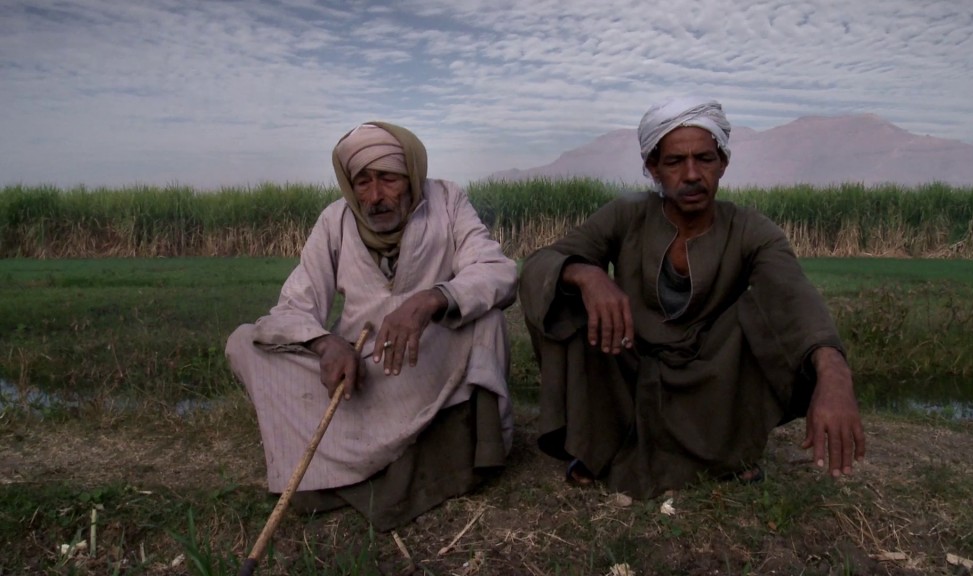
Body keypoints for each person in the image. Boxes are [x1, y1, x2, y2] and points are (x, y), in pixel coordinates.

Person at [518, 96, 865, 498]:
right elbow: (540, 263)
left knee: (764, 313)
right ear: (652, 168)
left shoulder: (752, 229)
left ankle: (728, 452)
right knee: (562, 290)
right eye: (674, 162)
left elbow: (794, 295)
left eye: (704, 159)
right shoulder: (626, 216)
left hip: (710, 375)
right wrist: (586, 274)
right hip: (628, 364)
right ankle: (598, 442)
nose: (691, 175)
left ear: (723, 164)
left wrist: (835, 374)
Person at [226, 122, 517, 530]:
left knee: (486, 317)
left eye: (388, 179)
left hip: (425, 357)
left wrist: (431, 300)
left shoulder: (447, 200)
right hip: (360, 371)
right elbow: (293, 307)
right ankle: (348, 455)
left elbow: (496, 272)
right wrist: (325, 343)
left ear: (411, 175)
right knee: (244, 341)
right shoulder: (335, 221)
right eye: (362, 183)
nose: (375, 197)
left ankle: (450, 454)